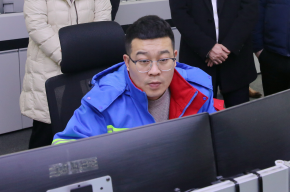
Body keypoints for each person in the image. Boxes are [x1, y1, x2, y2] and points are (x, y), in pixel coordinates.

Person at [52, 15, 218, 144]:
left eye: (163, 60)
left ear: (175, 59)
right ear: (127, 62)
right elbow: (64, 152)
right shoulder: (103, 101)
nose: (154, 71)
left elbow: (216, 142)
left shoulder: (198, 90)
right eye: (144, 61)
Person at [20, 0, 112, 149]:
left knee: (84, 133)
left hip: (86, 67)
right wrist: (67, 57)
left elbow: (102, 22)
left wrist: (84, 57)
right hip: (49, 67)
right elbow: (36, 25)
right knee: (45, 134)